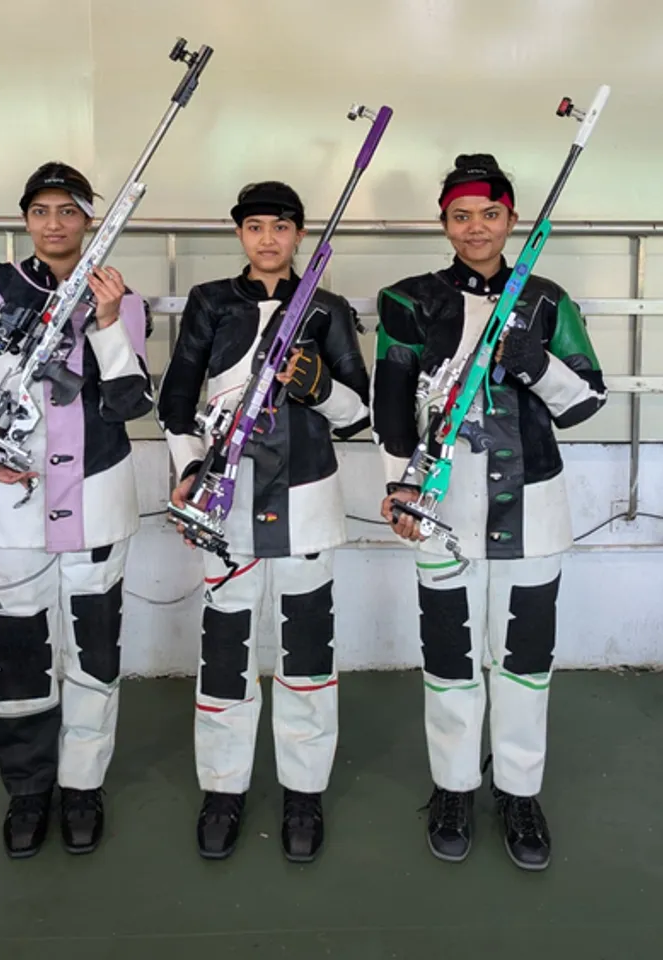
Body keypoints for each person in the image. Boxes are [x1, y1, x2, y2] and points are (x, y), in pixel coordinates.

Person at [371, 154, 607, 870]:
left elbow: (586, 401)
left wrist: (535, 362)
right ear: (443, 222)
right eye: (461, 215)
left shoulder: (546, 300)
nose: (476, 228)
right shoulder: (406, 301)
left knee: (525, 664)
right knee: (449, 661)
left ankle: (518, 790)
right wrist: (400, 489)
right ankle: (453, 787)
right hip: (438, 507)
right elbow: (390, 406)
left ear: (511, 219)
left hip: (533, 510)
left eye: (490, 214)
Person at [0, 162, 154, 858]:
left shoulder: (120, 297)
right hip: (12, 507)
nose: (54, 224)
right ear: (26, 219)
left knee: (95, 653)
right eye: (42, 211)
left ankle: (83, 786)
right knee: (21, 654)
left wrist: (107, 323)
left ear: (89, 221)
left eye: (68, 211)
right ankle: (28, 790)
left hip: (98, 502)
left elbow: (131, 402)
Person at [159, 181, 369, 862]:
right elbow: (176, 398)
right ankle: (223, 789)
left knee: (307, 656)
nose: (268, 239)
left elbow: (359, 414)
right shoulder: (209, 303)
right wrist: (191, 469)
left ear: (300, 234)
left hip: (308, 503)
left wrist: (318, 387)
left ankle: (304, 791)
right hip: (226, 503)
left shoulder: (328, 309)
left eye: (281, 226)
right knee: (225, 654)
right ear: (240, 234)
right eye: (255, 226)